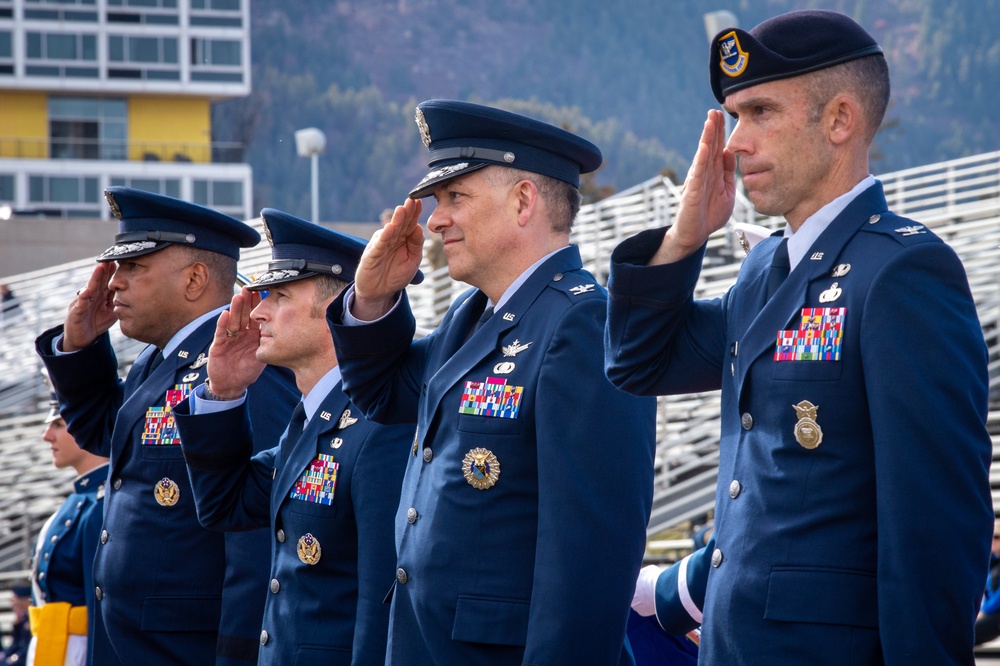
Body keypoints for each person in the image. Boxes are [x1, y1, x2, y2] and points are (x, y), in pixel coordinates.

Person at [606, 9, 993, 664]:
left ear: (839, 120)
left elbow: (934, 529)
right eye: (732, 115)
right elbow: (643, 361)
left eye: (759, 112)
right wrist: (684, 239)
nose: (732, 142)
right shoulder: (763, 273)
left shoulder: (903, 271)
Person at [327, 99, 656, 665]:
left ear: (524, 200)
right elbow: (381, 393)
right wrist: (375, 298)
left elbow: (588, 559)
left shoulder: (582, 322)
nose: (435, 219)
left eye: (456, 197)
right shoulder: (471, 317)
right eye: (437, 201)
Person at [34, 187, 298, 665]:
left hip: (189, 646)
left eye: (133, 267)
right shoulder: (159, 360)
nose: (114, 283)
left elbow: (259, 529)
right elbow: (107, 439)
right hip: (138, 640)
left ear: (195, 279)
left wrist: (238, 653)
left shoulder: (245, 365)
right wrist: (81, 348)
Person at [171, 208, 417, 664]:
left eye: (279, 295)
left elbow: (382, 599)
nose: (258, 311)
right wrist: (223, 390)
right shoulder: (313, 418)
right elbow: (226, 503)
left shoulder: (378, 425)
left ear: (334, 313)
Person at [26, 389, 109, 666]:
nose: (47, 435)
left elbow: (99, 608)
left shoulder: (102, 504)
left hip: (80, 653)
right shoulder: (78, 501)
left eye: (59, 425)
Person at [975, 520, 1000, 645]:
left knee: (969, 634)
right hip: (991, 613)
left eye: (996, 537)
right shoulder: (992, 562)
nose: (993, 541)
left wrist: (985, 611)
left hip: (995, 614)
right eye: (991, 536)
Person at [1, 587, 31, 665]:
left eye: (14, 598)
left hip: (25, 657)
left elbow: (27, 646)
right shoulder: (22, 618)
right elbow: (15, 644)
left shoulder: (31, 618)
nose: (12, 602)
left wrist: (15, 657)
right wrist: (5, 655)